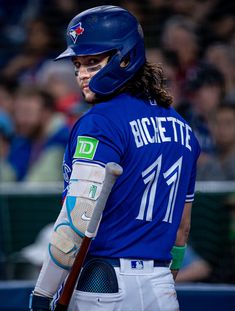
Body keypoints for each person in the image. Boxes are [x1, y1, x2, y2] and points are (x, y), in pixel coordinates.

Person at [29, 5, 200, 311]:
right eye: (78, 65)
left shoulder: (100, 121)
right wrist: (162, 286)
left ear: (124, 57)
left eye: (92, 63)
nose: (82, 74)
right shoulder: (183, 129)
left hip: (103, 286)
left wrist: (42, 296)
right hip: (162, 287)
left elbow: (76, 221)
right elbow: (182, 229)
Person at [5, 86, 70, 182]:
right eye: (17, 112)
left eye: (27, 112)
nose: (20, 119)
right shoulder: (21, 142)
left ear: (46, 113)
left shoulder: (64, 141)